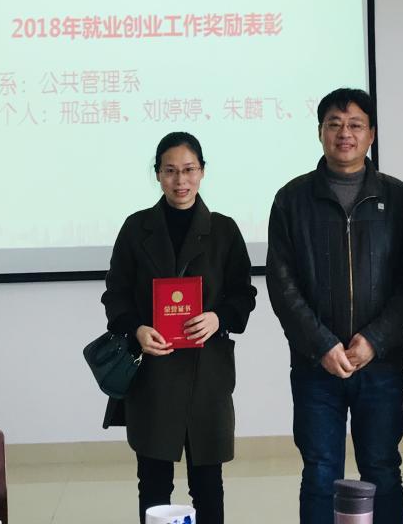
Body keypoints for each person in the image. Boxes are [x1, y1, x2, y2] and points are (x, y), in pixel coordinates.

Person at [266, 87, 403, 524]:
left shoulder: (400, 199)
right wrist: (322, 345)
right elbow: (282, 284)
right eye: (334, 124)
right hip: (316, 366)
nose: (344, 134)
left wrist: (375, 340)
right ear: (320, 132)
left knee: (382, 469)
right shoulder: (292, 199)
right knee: (319, 472)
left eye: (355, 125)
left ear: (371, 134)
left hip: (381, 364)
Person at [101, 131, 256, 524]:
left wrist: (218, 317)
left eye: (189, 170)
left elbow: (244, 295)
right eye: (170, 171)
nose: (180, 180)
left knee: (208, 484)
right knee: (153, 484)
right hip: (151, 375)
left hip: (208, 375)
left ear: (203, 172)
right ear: (157, 174)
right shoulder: (136, 228)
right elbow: (115, 296)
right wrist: (137, 329)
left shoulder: (224, 230)